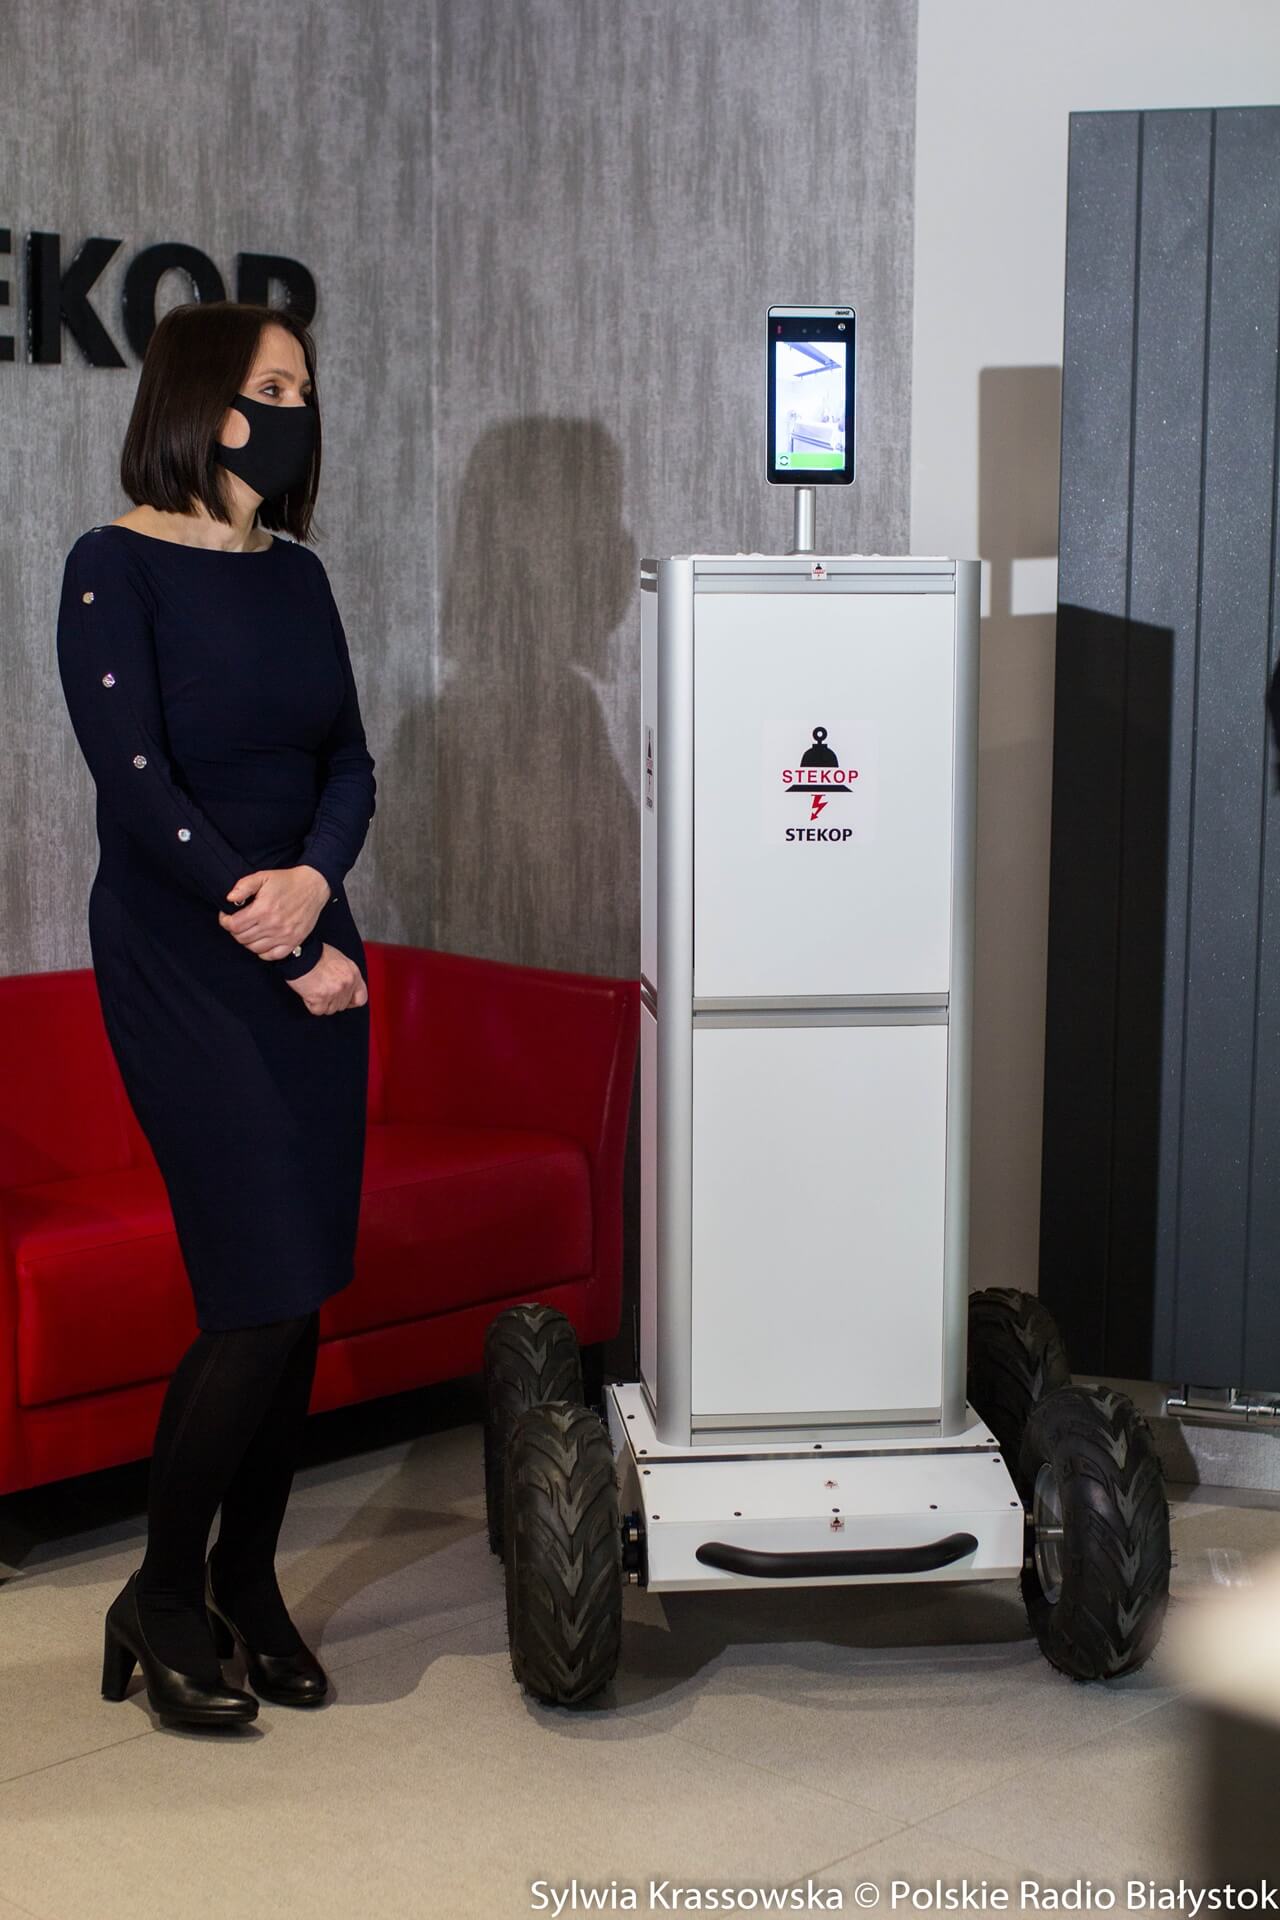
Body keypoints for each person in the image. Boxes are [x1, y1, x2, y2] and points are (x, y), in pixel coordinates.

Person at [55, 300, 376, 1731]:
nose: (297, 411)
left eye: (304, 388)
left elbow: (350, 762)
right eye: (273, 387)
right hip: (185, 952)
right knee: (257, 1288)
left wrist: (316, 886)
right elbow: (134, 783)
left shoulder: (297, 577)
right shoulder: (110, 565)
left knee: (295, 1292)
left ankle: (248, 1583)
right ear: (203, 403)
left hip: (311, 936)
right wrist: (272, 922)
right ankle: (165, 1592)